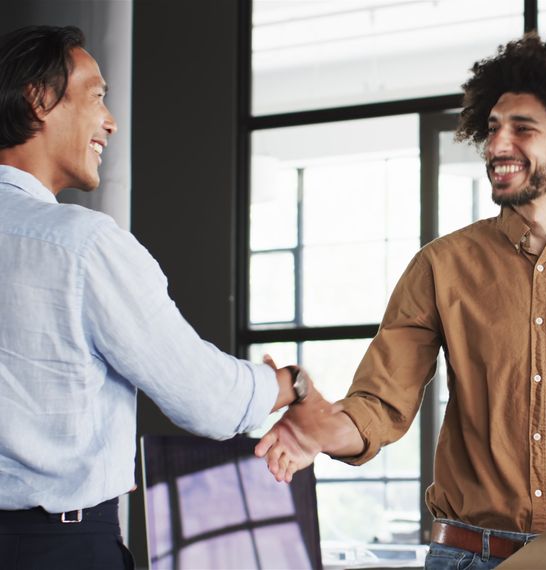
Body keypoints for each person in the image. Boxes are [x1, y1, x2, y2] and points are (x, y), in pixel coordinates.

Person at [255, 34, 546, 569]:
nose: (497, 145)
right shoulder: (441, 266)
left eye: (523, 129)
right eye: (492, 128)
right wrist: (325, 429)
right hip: (466, 556)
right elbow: (381, 403)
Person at [0, 25, 312, 569]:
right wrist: (291, 384)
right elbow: (209, 400)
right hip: (58, 550)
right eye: (97, 96)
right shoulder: (82, 245)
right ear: (39, 99)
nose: (110, 120)